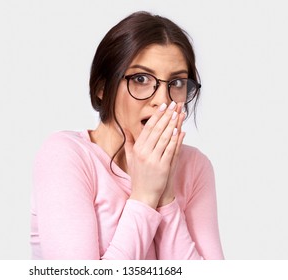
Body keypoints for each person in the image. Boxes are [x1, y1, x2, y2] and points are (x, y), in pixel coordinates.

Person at [30, 11, 224, 260]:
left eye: (176, 83)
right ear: (102, 87)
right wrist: (144, 196)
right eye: (141, 79)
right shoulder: (66, 156)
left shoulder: (195, 167)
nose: (162, 100)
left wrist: (165, 196)